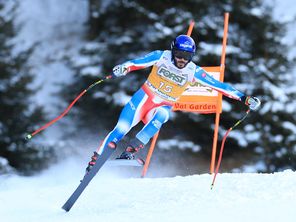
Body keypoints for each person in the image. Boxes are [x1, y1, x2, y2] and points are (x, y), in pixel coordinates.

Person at [85, 34, 261, 173]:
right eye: (179, 54)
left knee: (163, 115)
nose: (182, 59)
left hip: (160, 107)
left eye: (187, 56)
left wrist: (244, 98)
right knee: (121, 129)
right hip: (142, 100)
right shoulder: (160, 56)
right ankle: (95, 159)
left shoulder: (193, 71)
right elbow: (137, 63)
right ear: (172, 51)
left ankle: (129, 152)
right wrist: (123, 67)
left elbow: (220, 86)